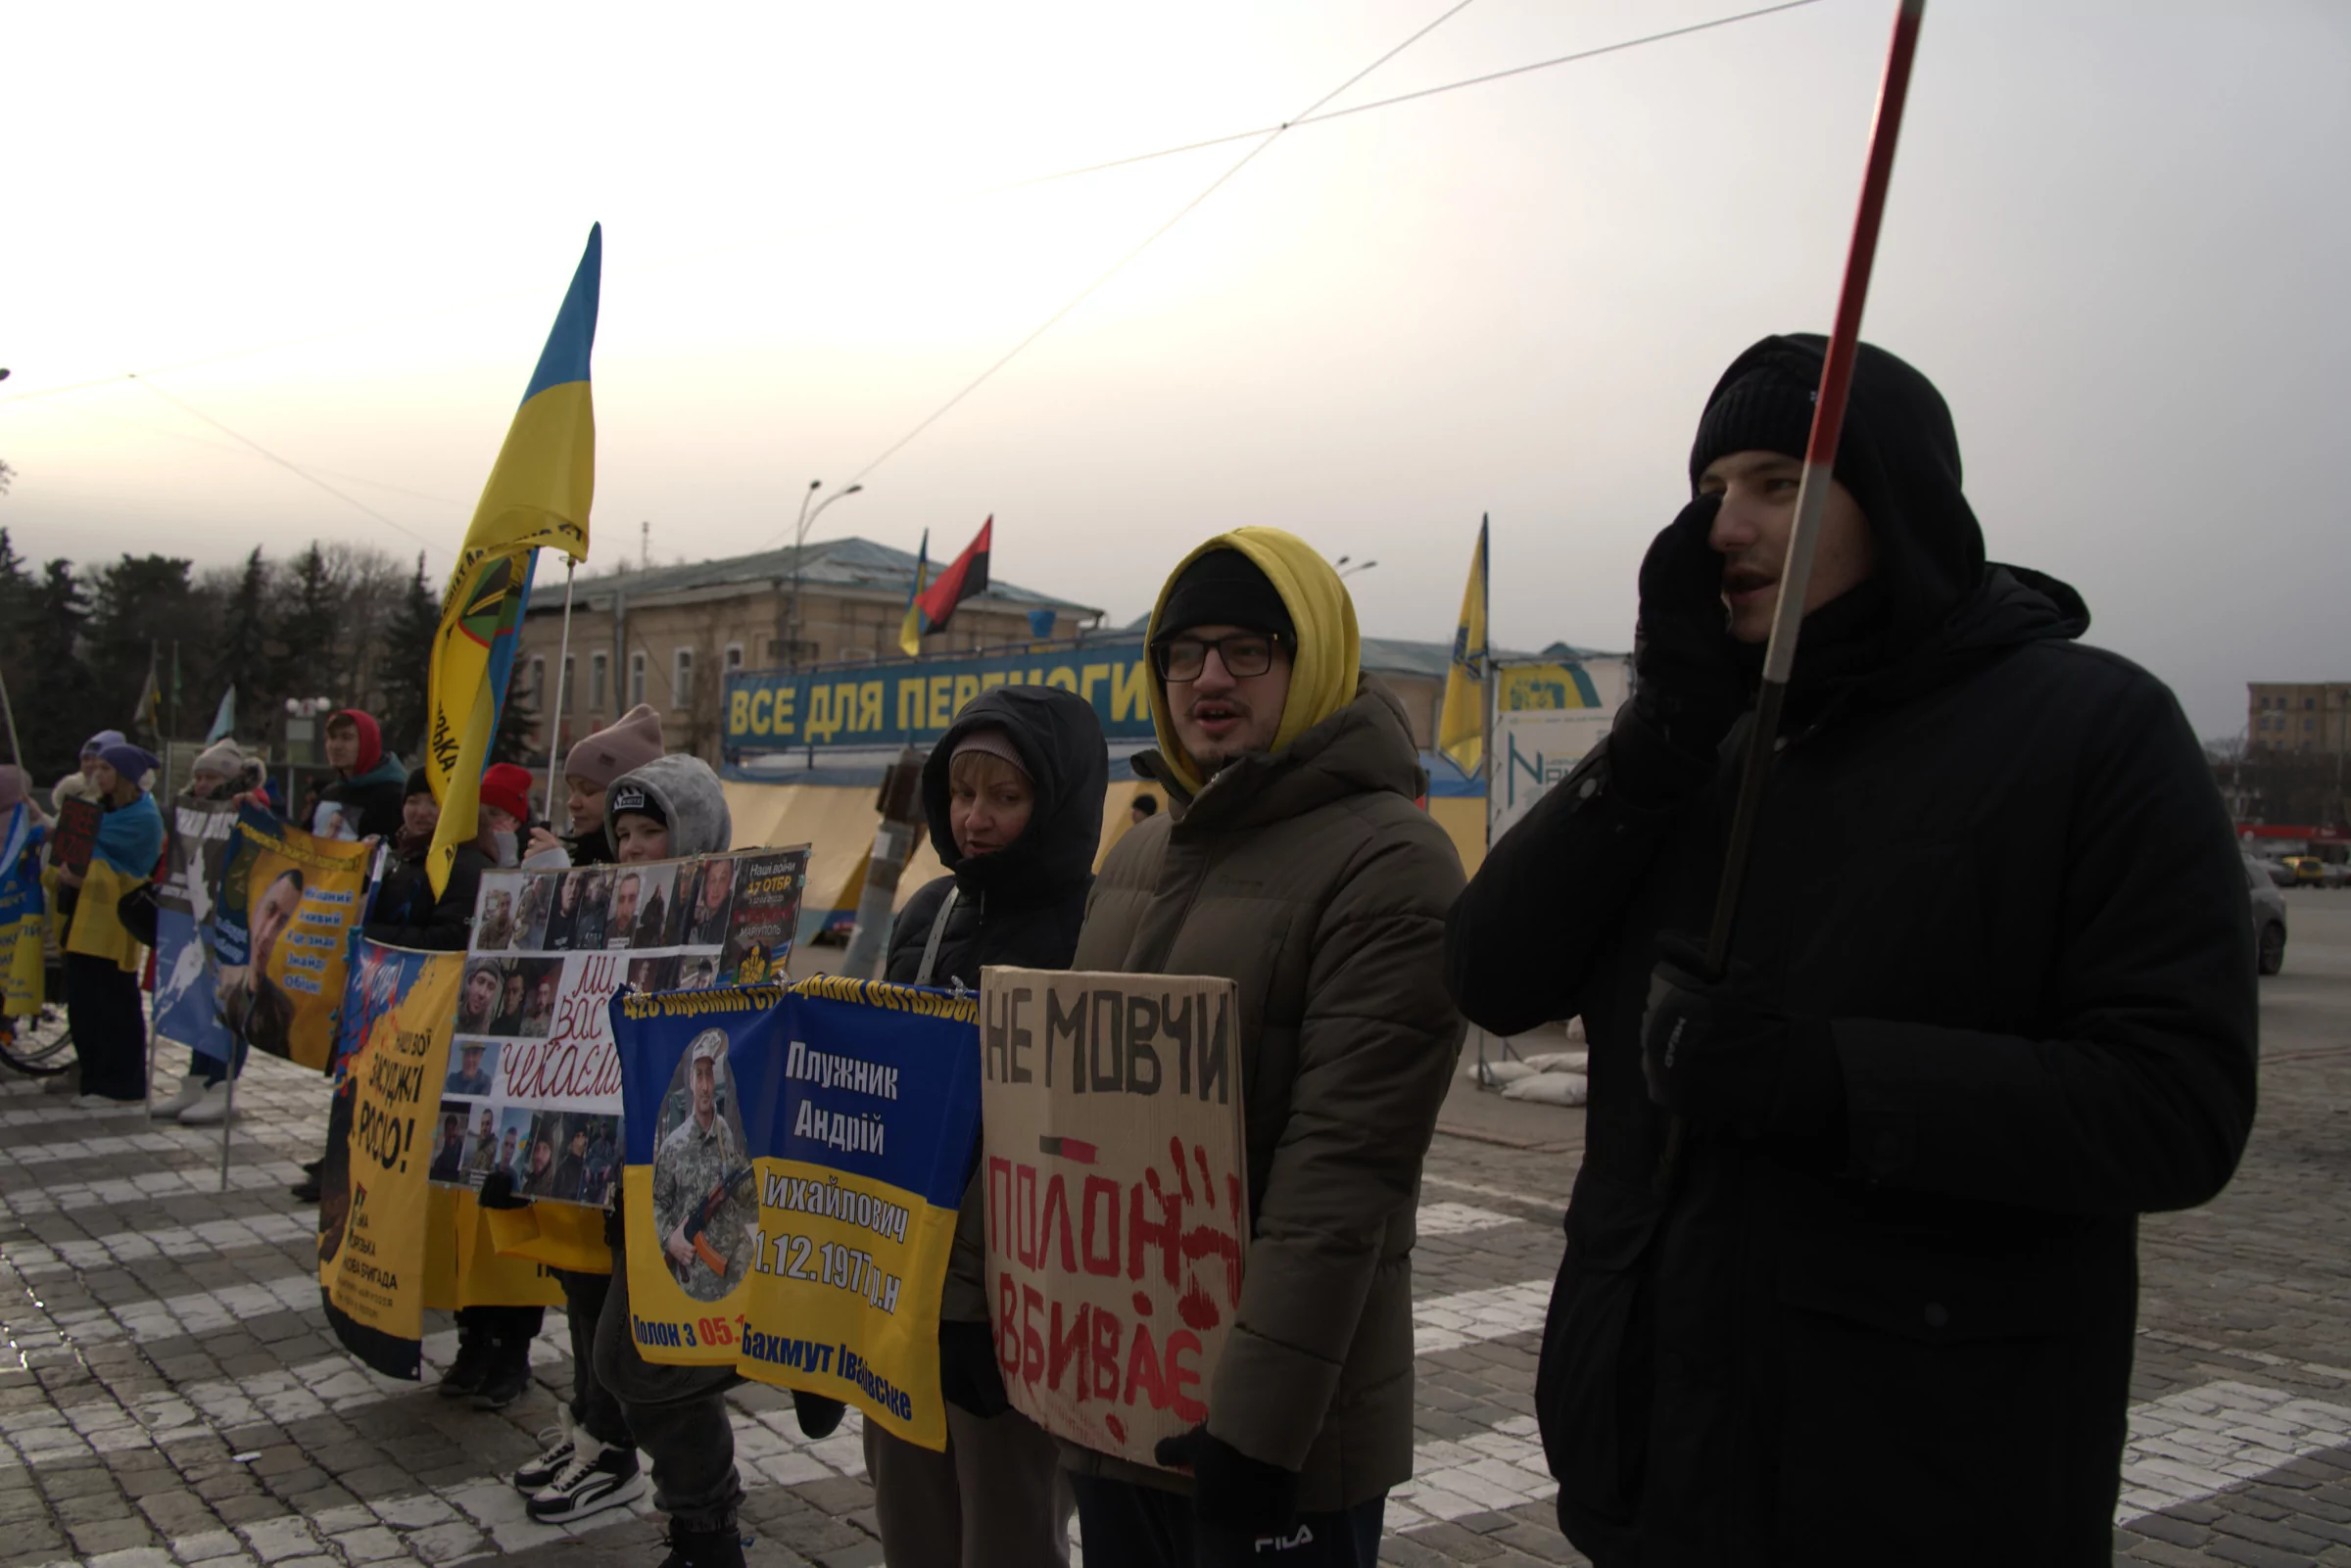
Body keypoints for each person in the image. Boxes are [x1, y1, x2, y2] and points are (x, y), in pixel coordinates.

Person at [1443, 336, 2259, 1567]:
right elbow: (1491, 974)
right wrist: (1659, 731)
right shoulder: (1701, 745)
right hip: (1652, 1477)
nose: (1728, 525)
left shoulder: (2094, 730)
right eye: (1713, 488)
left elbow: (2175, 1103)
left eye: (1780, 480)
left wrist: (1825, 1079)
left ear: (1901, 498)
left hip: (1926, 1483)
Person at [1061, 532, 1465, 1566]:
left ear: (1314, 655)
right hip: (1119, 1393)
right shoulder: (1142, 846)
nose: (1208, 677)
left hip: (1280, 1426)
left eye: (1247, 648)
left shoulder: (1392, 857)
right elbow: (1064, 1115)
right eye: (1182, 651)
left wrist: (1257, 1422)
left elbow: (1343, 1171)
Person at [866, 686, 1105, 1568]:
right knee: (910, 1509)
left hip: (1025, 1300)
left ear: (1060, 799)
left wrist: (983, 1303)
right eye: (963, 794)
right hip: (906, 1285)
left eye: (1005, 797)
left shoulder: (1095, 928)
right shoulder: (929, 914)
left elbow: (1072, 1137)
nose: (974, 818)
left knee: (1008, 1524)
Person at [590, 754, 810, 1568]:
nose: (637, 848)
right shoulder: (604, 919)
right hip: (624, 1177)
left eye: (655, 830)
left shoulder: (741, 927)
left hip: (698, 1183)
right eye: (624, 833)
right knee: (627, 1358)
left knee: (631, 1356)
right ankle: (704, 1528)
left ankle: (783, 1365)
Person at [57, 741, 168, 1108]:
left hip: (113, 921)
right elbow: (66, 853)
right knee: (84, 1005)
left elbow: (133, 874)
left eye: (106, 769)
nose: (96, 774)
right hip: (79, 918)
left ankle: (122, 1084)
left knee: (114, 1004)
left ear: (124, 777)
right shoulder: (93, 810)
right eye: (96, 767)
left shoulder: (143, 818)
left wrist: (86, 877)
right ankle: (95, 1079)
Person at [152, 738, 255, 1124]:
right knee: (195, 999)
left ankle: (223, 1084)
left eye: (210, 776)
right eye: (198, 776)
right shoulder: (190, 812)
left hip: (231, 923)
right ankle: (195, 1080)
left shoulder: (249, 809)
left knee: (229, 1003)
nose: (201, 784)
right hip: (195, 919)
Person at [650, 1034, 751, 1300]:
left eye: (709, 1076)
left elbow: (739, 1196)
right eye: (700, 1076)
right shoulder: (673, 1146)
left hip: (732, 1276)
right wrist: (669, 1239)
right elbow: (656, 1202)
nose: (706, 1086)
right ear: (692, 1084)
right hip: (694, 1282)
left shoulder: (725, 1134)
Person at [526, 702, 663, 867]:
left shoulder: (638, 860)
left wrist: (560, 877)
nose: (572, 803)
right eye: (572, 790)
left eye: (588, 791)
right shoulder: (583, 854)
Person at [312, 709, 407, 841]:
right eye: (332, 737)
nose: (336, 746)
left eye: (346, 738)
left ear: (367, 742)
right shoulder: (329, 794)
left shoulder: (394, 797)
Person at [51, 730, 124, 815]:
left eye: (95, 758)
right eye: (86, 759)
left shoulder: (132, 794)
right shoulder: (72, 788)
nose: (90, 764)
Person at [681, 855, 732, 946]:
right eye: (712, 880)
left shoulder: (730, 928)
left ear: (730, 882)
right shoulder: (695, 925)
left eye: (722, 879)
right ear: (704, 884)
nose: (715, 889)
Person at [456, 960, 504, 1034]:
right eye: (480, 981)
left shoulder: (489, 1030)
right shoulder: (453, 1014)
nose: (482, 993)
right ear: (471, 982)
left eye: (490, 987)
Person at [604, 872, 642, 950]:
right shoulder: (606, 930)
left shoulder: (639, 933)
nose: (624, 910)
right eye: (621, 900)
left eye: (631, 899)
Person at [428, 1115, 469, 1182]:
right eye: (449, 1130)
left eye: (453, 1129)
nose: (451, 1133)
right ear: (445, 1133)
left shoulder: (464, 1156)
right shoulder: (439, 1161)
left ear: (457, 1130)